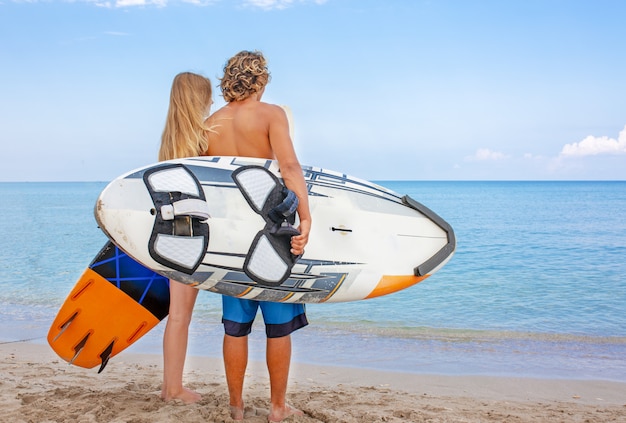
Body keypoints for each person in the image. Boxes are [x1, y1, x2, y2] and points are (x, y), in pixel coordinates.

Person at [206, 50, 311, 422]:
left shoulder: (209, 124)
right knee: (278, 327)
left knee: (235, 327)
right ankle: (277, 409)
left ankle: (236, 409)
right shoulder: (271, 115)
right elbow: (289, 167)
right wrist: (306, 219)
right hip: (272, 232)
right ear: (261, 80)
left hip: (229, 237)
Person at [158, 72, 213, 404]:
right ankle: (175, 390)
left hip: (169, 234)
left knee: (177, 316)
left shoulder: (170, 141)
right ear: (198, 100)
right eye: (207, 97)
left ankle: (170, 387)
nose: (212, 103)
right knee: (181, 316)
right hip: (190, 234)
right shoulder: (204, 142)